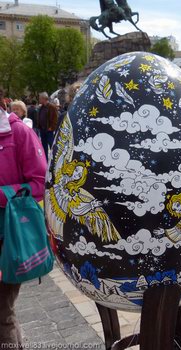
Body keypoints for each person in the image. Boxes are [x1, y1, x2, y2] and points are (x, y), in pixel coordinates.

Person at [0, 107, 47, 346]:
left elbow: (39, 183)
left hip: (8, 237)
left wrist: (2, 195)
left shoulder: (18, 132)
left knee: (1, 312)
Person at [37, 92, 58, 159]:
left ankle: (54, 159)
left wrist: (51, 127)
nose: (39, 100)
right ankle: (45, 160)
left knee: (51, 145)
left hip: (49, 130)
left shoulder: (52, 107)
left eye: (40, 98)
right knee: (44, 146)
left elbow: (55, 118)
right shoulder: (41, 107)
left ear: (43, 99)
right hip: (42, 129)